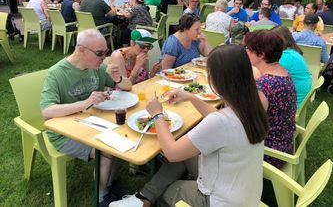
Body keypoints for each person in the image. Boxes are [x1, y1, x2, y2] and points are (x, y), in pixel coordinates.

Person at [109, 44, 269, 207]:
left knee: (167, 188)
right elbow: (223, 122)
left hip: (219, 200)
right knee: (185, 153)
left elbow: (171, 152)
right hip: (245, 193)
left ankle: (148, 197)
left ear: (219, 79)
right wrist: (191, 98)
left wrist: (157, 115)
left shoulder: (220, 122)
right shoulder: (254, 104)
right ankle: (143, 197)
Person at [40, 29, 132, 206]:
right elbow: (47, 111)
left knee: (123, 138)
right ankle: (101, 196)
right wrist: (85, 103)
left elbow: (128, 86)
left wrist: (118, 78)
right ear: (81, 50)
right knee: (107, 150)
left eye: (105, 52)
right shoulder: (56, 73)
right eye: (100, 53)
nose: (104, 58)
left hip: (91, 124)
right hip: (63, 134)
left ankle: (109, 183)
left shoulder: (97, 67)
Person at [243, 29, 297, 168]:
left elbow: (245, 126)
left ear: (261, 55)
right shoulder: (283, 73)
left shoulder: (264, 87)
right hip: (283, 144)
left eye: (248, 49)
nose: (245, 51)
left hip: (268, 152)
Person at [272, 26, 312, 108]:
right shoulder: (291, 52)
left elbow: (269, 75)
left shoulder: (286, 56)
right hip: (298, 97)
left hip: (293, 103)